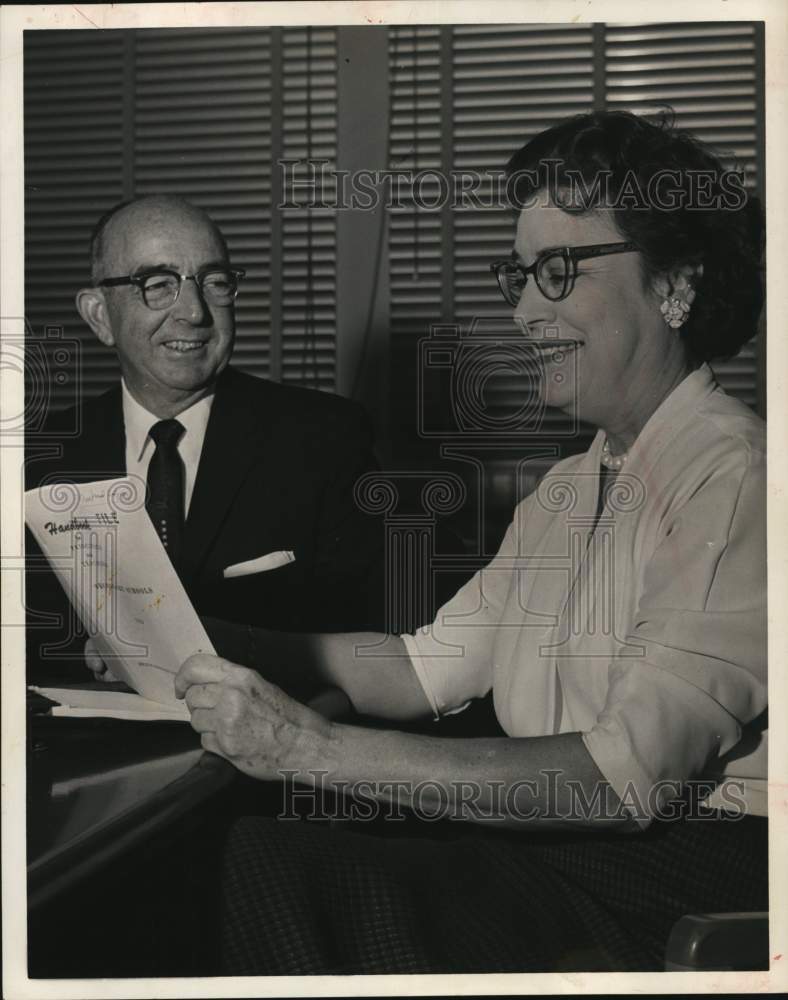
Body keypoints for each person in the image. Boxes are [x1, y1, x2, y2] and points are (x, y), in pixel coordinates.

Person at [177, 110, 768, 974]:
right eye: (520, 276)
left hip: (684, 880)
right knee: (264, 852)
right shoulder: (572, 487)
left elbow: (620, 778)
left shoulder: (737, 477)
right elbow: (424, 667)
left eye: (559, 272)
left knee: (277, 862)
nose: (526, 311)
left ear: (674, 284)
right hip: (563, 853)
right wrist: (206, 641)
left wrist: (310, 750)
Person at [25, 195, 385, 684]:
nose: (194, 312)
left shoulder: (324, 438)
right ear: (99, 316)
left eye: (215, 282)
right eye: (157, 285)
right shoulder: (35, 458)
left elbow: (382, 638)